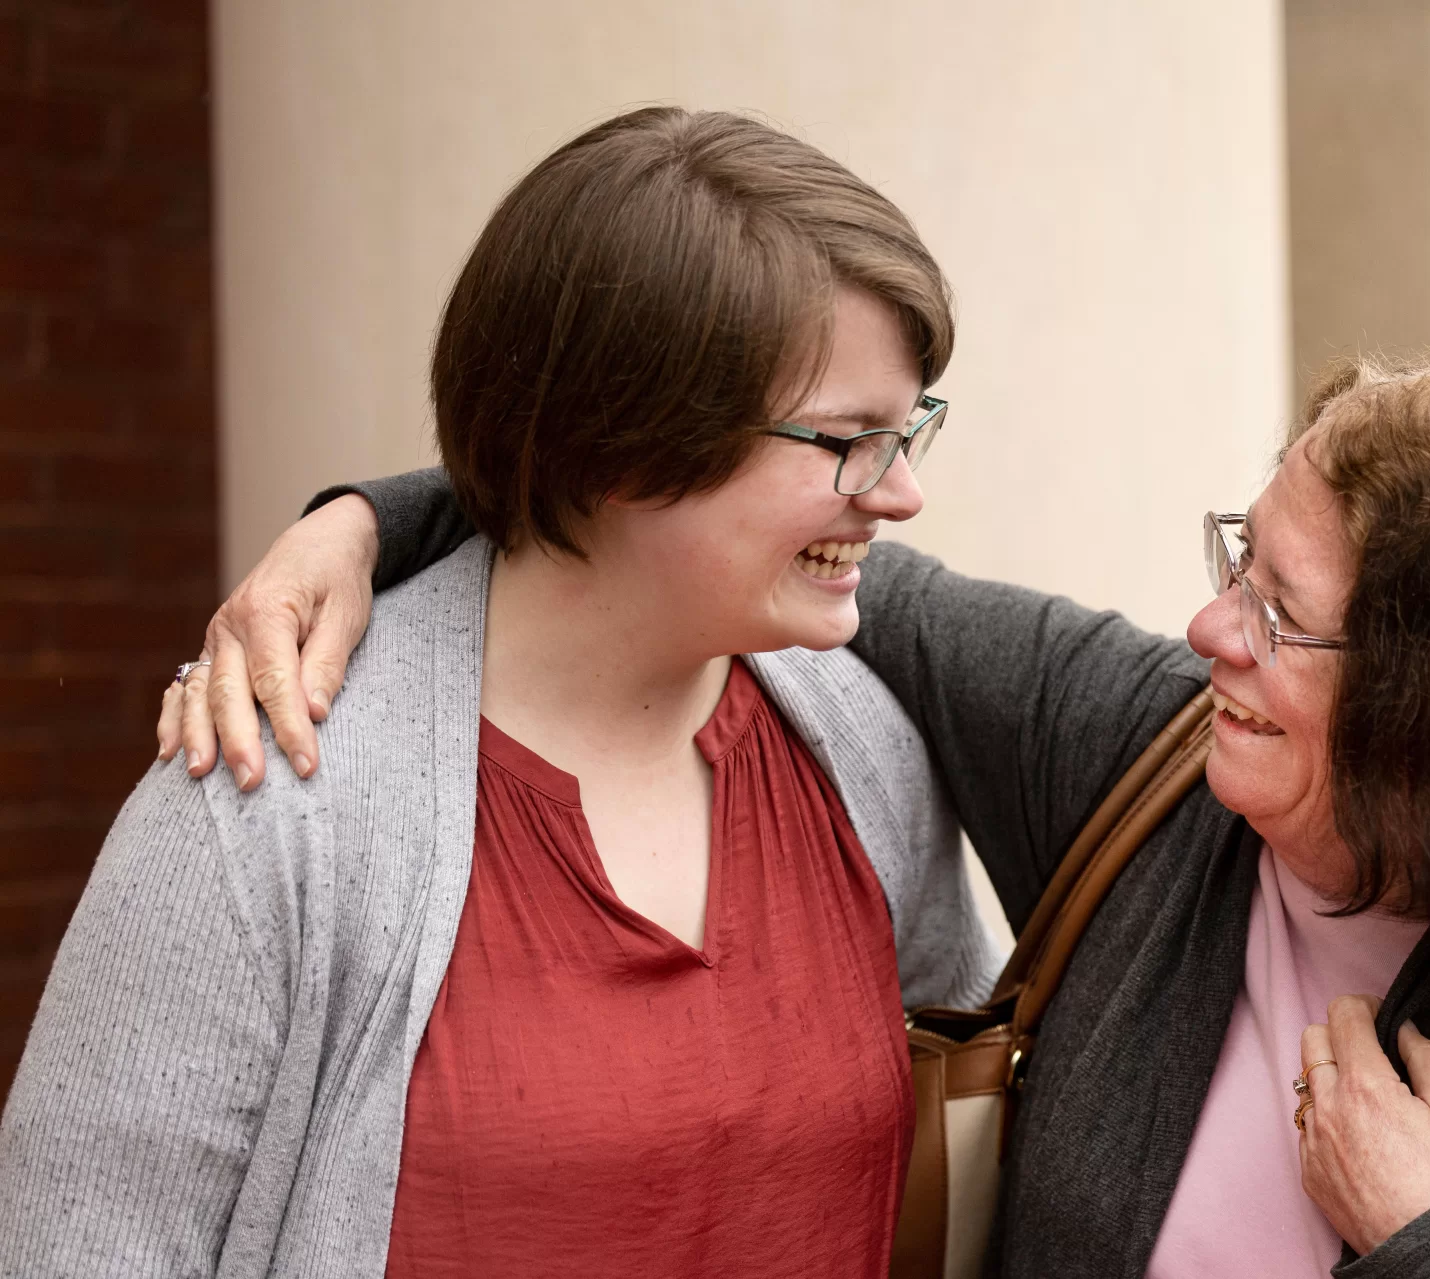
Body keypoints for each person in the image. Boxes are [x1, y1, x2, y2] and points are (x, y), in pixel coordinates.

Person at [163, 350, 1430, 1278]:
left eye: (1277, 608)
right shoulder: (1156, 766)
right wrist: (370, 525)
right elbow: (747, 532)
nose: (1208, 630)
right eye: (1234, 554)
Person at [0, 107, 1004, 1277]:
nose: (897, 495)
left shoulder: (864, 750)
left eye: (906, 430)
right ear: (628, 443)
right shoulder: (266, 806)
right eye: (845, 440)